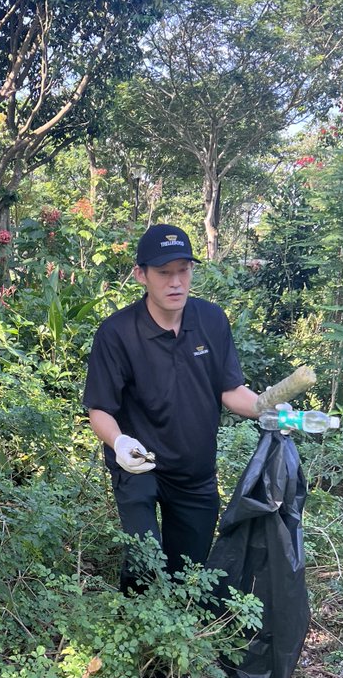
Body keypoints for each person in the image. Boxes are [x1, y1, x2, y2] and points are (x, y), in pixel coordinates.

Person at [83, 223, 264, 592]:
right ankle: (134, 620)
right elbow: (99, 409)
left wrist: (271, 408)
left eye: (183, 270)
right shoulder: (117, 332)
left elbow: (231, 391)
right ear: (141, 275)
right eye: (164, 272)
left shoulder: (211, 320)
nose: (176, 282)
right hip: (139, 463)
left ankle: (179, 623)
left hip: (194, 470)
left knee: (188, 573)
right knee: (145, 564)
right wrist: (119, 443)